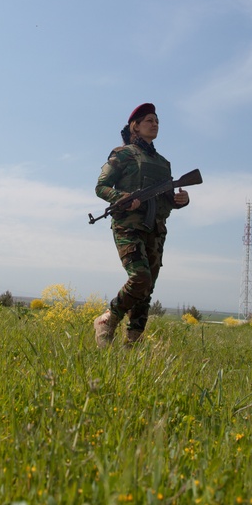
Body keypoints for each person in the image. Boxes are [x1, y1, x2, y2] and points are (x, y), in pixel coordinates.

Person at [93, 103, 191, 347]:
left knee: (146, 292)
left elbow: (166, 197)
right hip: (129, 226)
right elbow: (101, 187)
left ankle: (132, 344)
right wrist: (121, 198)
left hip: (156, 230)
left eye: (157, 120)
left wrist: (181, 200)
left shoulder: (163, 163)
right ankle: (108, 319)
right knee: (140, 278)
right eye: (148, 120)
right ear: (135, 126)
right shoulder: (123, 154)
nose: (155, 123)